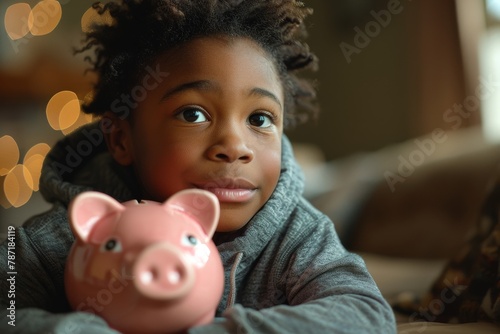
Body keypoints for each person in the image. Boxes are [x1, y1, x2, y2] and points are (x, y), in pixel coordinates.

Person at [0, 0, 396, 333]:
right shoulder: (50, 240)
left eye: (259, 119)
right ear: (122, 139)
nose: (234, 147)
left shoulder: (297, 236)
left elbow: (365, 313)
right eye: (193, 114)